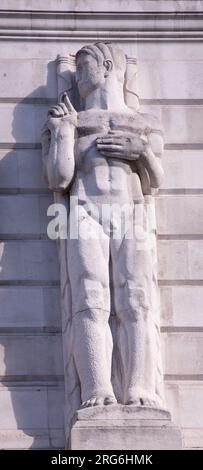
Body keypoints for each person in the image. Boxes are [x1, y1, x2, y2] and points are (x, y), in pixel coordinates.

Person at [42, 42, 165, 410]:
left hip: (132, 212)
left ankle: (139, 389)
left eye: (85, 66)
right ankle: (98, 389)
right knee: (90, 300)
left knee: (137, 300)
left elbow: (155, 182)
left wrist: (140, 152)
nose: (79, 75)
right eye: (76, 68)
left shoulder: (142, 123)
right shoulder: (70, 119)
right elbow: (58, 180)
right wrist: (63, 132)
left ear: (108, 65)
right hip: (83, 211)